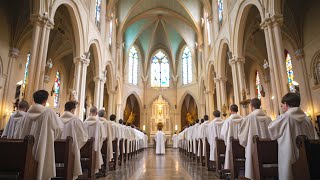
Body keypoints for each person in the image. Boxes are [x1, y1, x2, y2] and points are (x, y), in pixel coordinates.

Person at [14, 90, 63, 180]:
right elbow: (59, 129)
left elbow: (19, 133)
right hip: (43, 148)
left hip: (27, 152)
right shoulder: (49, 112)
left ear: (34, 100)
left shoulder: (26, 114)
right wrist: (50, 138)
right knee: (41, 170)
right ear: (45, 101)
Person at [268, 93, 319, 180]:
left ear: (286, 104)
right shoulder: (307, 119)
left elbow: (271, 130)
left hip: (290, 156)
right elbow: (315, 138)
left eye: (282, 104)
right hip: (308, 157)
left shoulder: (284, 118)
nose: (282, 106)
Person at [238, 98, 272, 179]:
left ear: (251, 106)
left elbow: (242, 136)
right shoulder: (268, 118)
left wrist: (244, 143)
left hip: (253, 148)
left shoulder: (249, 118)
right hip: (268, 151)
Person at [59, 101, 88, 179]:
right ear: (72, 110)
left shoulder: (58, 119)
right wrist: (76, 147)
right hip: (72, 150)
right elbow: (84, 137)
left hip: (58, 152)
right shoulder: (76, 120)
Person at [84, 106, 106, 173]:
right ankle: (94, 170)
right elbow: (103, 137)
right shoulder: (99, 123)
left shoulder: (84, 122)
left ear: (89, 112)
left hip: (85, 149)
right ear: (96, 113)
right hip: (95, 148)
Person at [220, 104, 243, 170]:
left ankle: (231, 169)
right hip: (241, 145)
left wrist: (226, 141)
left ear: (230, 110)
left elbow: (223, 134)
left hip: (231, 144)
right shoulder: (243, 119)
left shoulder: (228, 120)